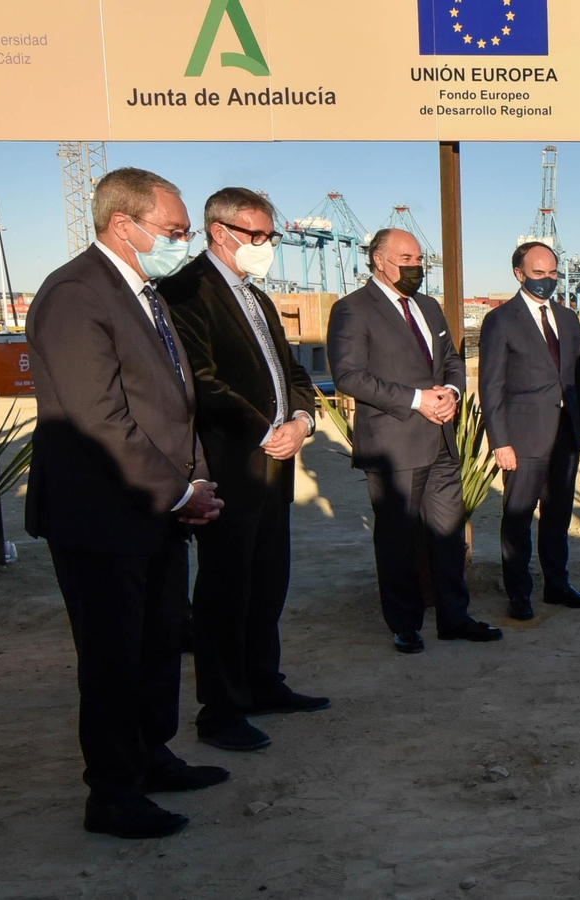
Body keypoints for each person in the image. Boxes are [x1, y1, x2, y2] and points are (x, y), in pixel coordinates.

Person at [26, 167, 228, 839]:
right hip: (103, 516)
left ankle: (152, 754)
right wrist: (181, 490)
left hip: (158, 512)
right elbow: (101, 419)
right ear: (124, 224)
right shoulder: (76, 295)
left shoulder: (147, 292)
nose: (185, 242)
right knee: (113, 657)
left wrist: (191, 487)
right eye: (174, 231)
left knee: (157, 646)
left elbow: (174, 401)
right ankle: (112, 794)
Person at [158, 187, 329, 754]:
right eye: (257, 236)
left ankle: (263, 683)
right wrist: (265, 430)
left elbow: (293, 374)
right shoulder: (186, 291)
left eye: (270, 236)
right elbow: (203, 382)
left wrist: (302, 419)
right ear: (220, 232)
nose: (266, 246)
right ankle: (221, 710)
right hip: (229, 468)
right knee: (225, 593)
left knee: (267, 584)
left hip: (275, 468)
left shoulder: (254, 295)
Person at [327, 229, 502, 653]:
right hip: (394, 444)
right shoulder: (352, 309)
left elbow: (451, 360)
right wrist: (417, 399)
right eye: (406, 257)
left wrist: (452, 394)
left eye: (419, 258)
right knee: (398, 538)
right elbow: (349, 376)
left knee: (447, 533)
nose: (416, 266)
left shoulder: (427, 306)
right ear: (379, 261)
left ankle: (454, 617)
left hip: (441, 436)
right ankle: (404, 624)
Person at [479, 242, 580, 621]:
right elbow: (491, 387)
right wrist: (500, 441)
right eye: (538, 273)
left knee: (558, 514)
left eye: (552, 273)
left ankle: (557, 585)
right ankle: (519, 594)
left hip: (566, 433)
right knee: (518, 516)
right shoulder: (500, 321)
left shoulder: (568, 318)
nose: (547, 280)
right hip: (522, 436)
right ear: (519, 274)